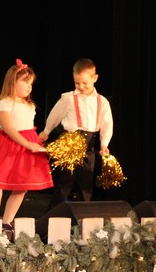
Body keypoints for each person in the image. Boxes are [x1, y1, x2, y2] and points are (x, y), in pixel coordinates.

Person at [0, 59, 52, 230]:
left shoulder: (29, 105)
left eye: (31, 83)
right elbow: (9, 128)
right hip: (9, 144)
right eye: (25, 82)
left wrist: (35, 143)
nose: (29, 87)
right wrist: (27, 144)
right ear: (13, 82)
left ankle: (7, 221)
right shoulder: (5, 102)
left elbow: (28, 127)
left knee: (22, 185)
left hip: (27, 145)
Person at [40, 58, 113, 208]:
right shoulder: (68, 98)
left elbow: (107, 123)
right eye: (77, 83)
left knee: (86, 182)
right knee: (66, 180)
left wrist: (104, 144)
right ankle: (52, 214)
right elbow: (55, 115)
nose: (81, 86)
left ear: (95, 78)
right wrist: (46, 131)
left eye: (85, 83)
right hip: (71, 144)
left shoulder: (102, 101)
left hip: (89, 144)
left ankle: (83, 214)